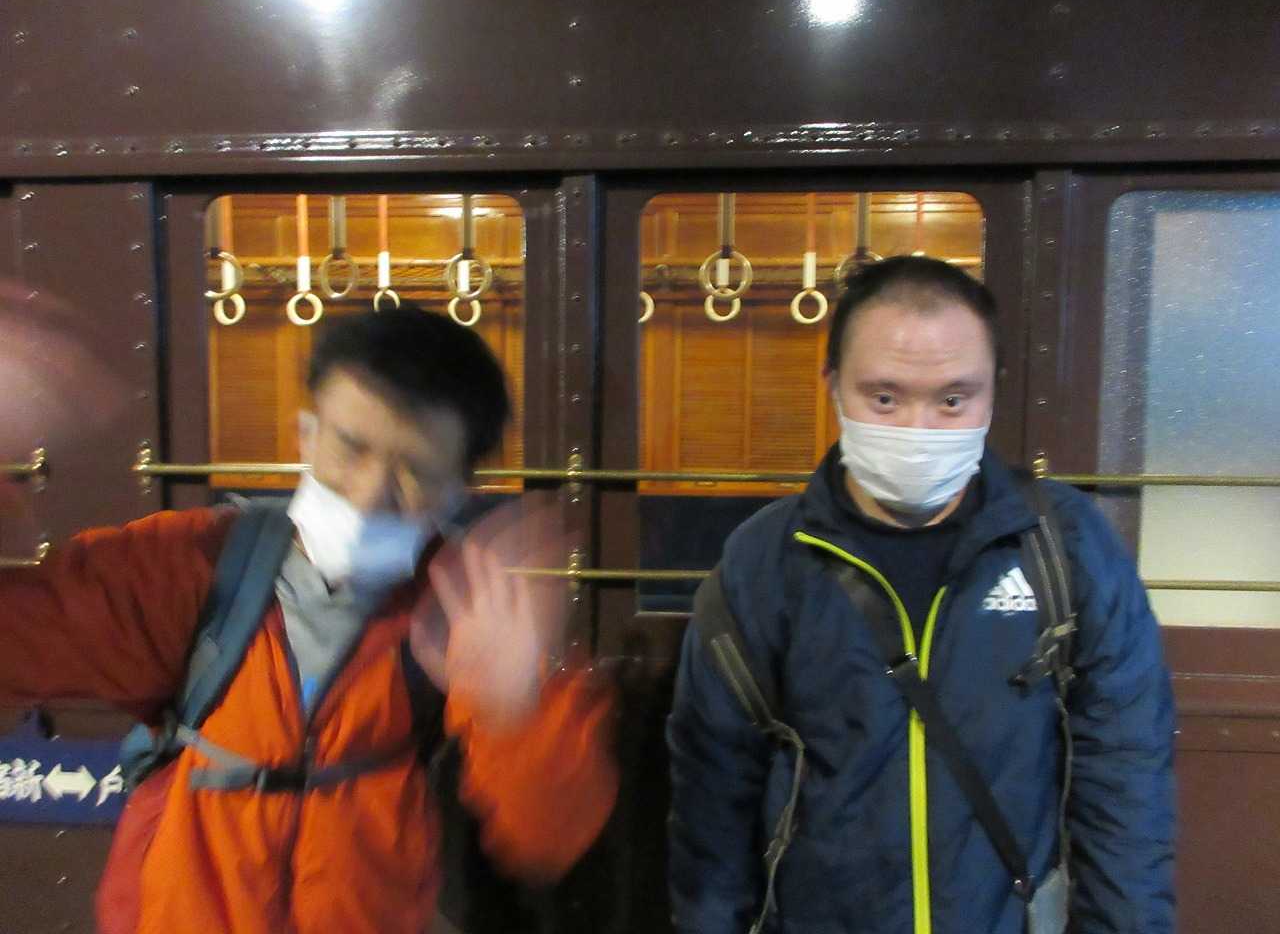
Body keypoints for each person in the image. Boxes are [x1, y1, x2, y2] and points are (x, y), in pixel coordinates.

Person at [0, 306, 617, 934]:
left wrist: (517, 707)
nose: (371, 493)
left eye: (417, 472)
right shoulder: (194, 566)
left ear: (460, 490)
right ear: (306, 434)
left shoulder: (475, 609)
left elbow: (549, 836)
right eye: (351, 446)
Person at [667, 256, 1175, 934]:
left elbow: (1127, 780)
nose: (919, 429)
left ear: (992, 394)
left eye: (953, 400)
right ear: (832, 385)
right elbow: (712, 795)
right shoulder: (764, 561)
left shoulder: (1064, 547)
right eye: (884, 398)